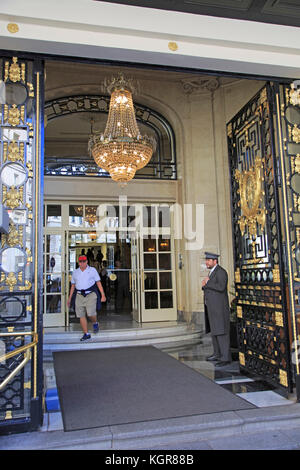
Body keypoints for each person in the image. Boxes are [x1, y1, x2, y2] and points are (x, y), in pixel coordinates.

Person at [202, 251, 232, 367]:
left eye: (209, 260)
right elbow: (210, 287)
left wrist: (207, 283)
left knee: (221, 331)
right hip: (212, 307)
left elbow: (221, 287)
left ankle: (225, 357)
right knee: (215, 331)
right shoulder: (212, 272)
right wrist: (204, 285)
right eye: (206, 260)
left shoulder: (221, 272)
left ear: (215, 261)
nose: (206, 262)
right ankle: (217, 353)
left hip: (219, 308)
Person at [67, 254, 106, 341]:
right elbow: (73, 286)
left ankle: (95, 322)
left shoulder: (92, 270)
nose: (82, 263)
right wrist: (69, 298)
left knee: (90, 313)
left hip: (90, 294)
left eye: (84, 261)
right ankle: (86, 333)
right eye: (80, 261)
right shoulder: (75, 272)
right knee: (81, 315)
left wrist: (102, 294)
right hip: (79, 295)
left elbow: (98, 283)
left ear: (87, 261)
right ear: (78, 262)